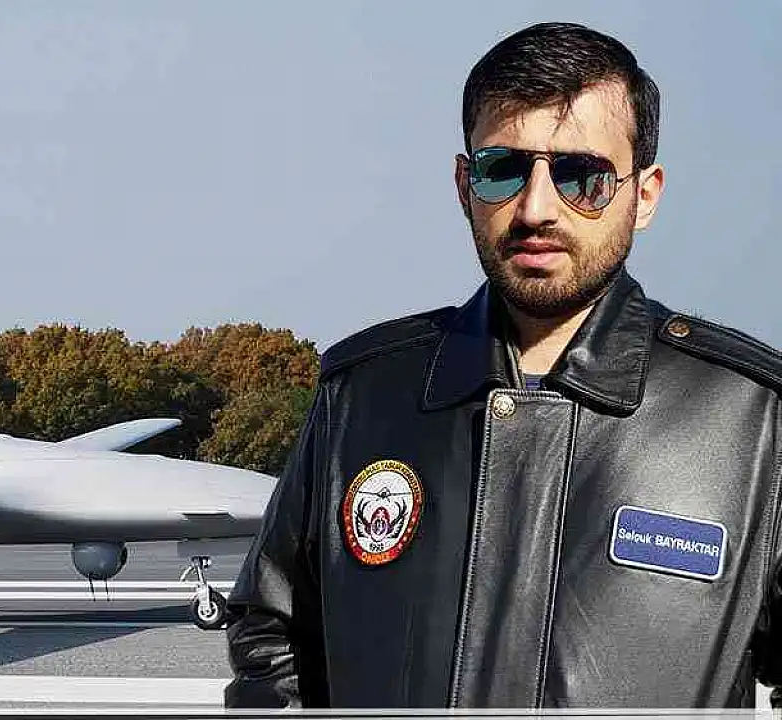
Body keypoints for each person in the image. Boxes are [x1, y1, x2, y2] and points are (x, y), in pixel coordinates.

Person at [223, 21, 782, 709]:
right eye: (502, 170)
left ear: (644, 195)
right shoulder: (364, 398)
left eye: (583, 176)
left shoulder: (752, 419)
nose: (536, 208)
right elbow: (272, 637)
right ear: (465, 186)